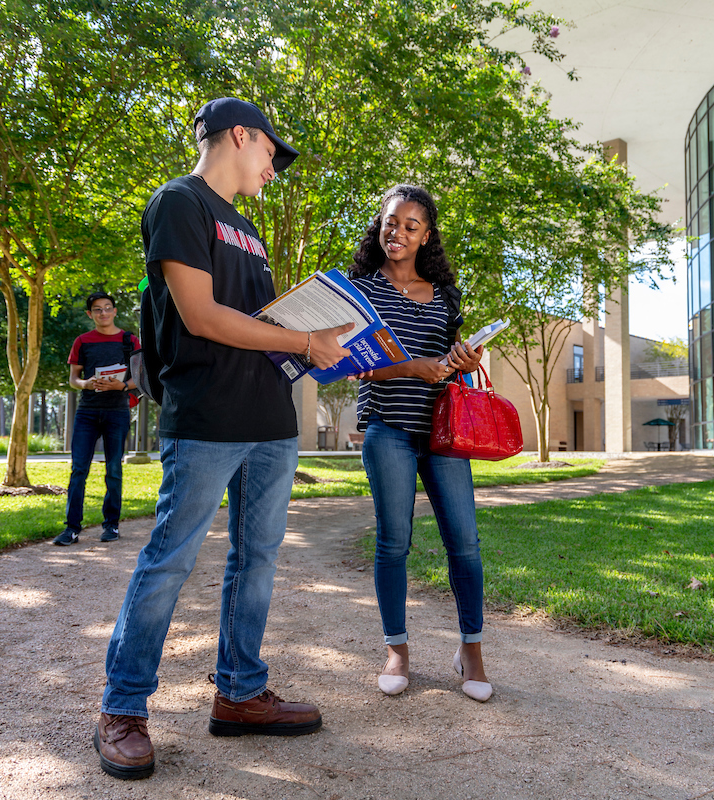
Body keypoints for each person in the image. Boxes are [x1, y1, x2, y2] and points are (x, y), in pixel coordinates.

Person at [94, 97, 353, 781]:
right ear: (240, 135)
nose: (275, 167)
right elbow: (203, 317)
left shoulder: (249, 229)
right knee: (170, 559)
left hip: (270, 417)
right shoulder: (180, 201)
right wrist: (304, 338)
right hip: (207, 414)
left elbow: (252, 323)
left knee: (258, 560)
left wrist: (310, 335)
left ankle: (239, 694)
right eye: (272, 152)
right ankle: (122, 708)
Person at [348, 184, 492, 702]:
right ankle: (397, 650)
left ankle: (470, 649)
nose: (398, 232)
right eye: (391, 222)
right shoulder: (358, 289)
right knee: (394, 542)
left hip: (443, 432)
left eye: (411, 225)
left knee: (466, 544)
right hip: (389, 429)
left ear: (426, 235)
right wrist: (411, 366)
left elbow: (447, 359)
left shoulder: (446, 294)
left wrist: (463, 359)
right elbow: (351, 363)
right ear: (380, 225)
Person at [54, 291, 138, 546]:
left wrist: (122, 387)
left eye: (108, 308)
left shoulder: (129, 340)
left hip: (117, 412)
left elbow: (141, 378)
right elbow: (73, 379)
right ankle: (71, 529)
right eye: (98, 310)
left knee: (114, 468)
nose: (103, 313)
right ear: (90, 314)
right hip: (87, 412)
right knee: (79, 469)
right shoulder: (82, 341)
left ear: (114, 311)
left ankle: (111, 526)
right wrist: (87, 384)